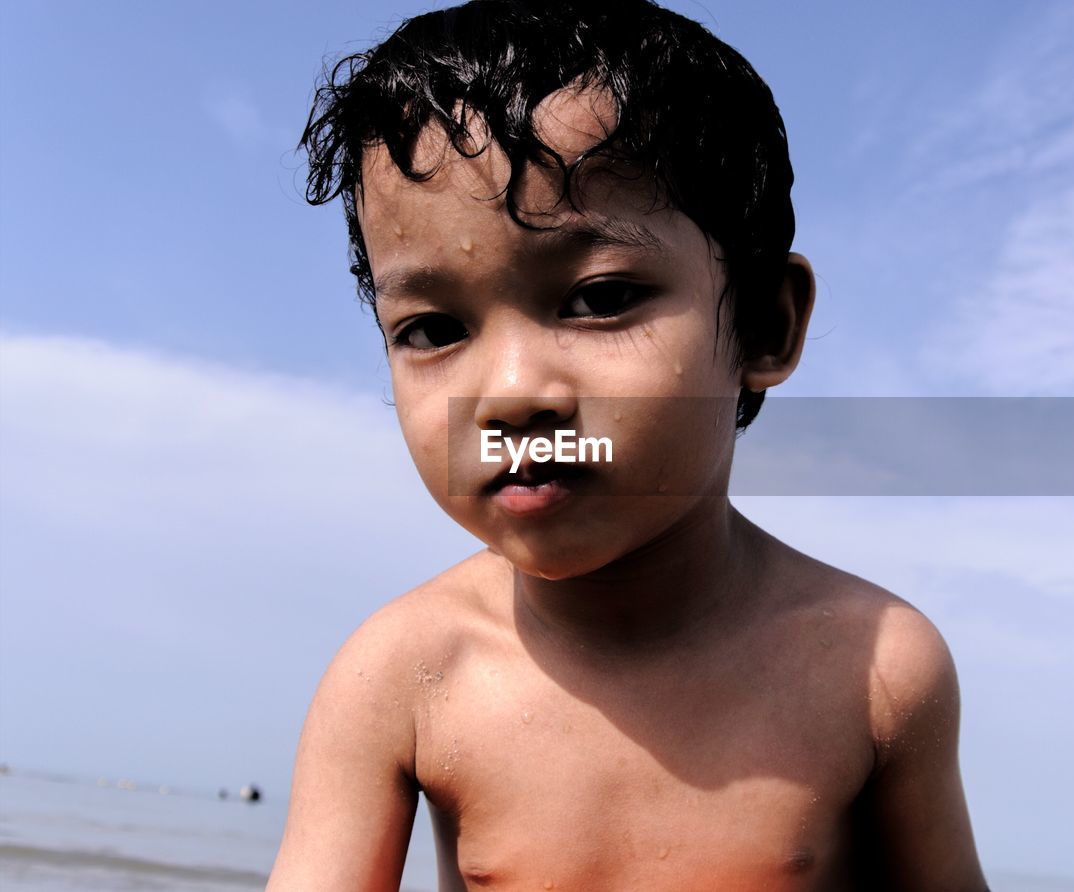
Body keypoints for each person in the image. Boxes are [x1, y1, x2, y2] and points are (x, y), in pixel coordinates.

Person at [269, 1, 988, 889]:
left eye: (600, 299)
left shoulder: (874, 670)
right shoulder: (404, 676)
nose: (511, 393)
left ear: (764, 325)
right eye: (432, 328)